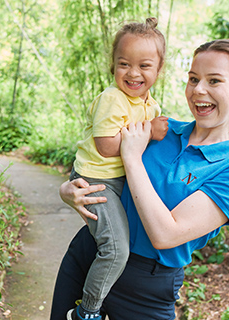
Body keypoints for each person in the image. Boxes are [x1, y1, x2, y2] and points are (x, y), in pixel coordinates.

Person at [51, 38, 229, 320]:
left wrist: (133, 157)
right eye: (193, 79)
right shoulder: (158, 129)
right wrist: (69, 190)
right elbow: (99, 161)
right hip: (90, 257)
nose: (199, 90)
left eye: (214, 81)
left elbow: (166, 234)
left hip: (146, 289)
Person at [66, 17, 169, 320]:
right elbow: (107, 147)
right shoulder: (113, 99)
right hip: (97, 181)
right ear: (112, 66)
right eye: (124, 64)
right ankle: (87, 310)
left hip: (118, 179)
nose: (133, 73)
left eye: (145, 65)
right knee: (115, 250)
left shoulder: (150, 104)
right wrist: (148, 130)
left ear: (158, 71)